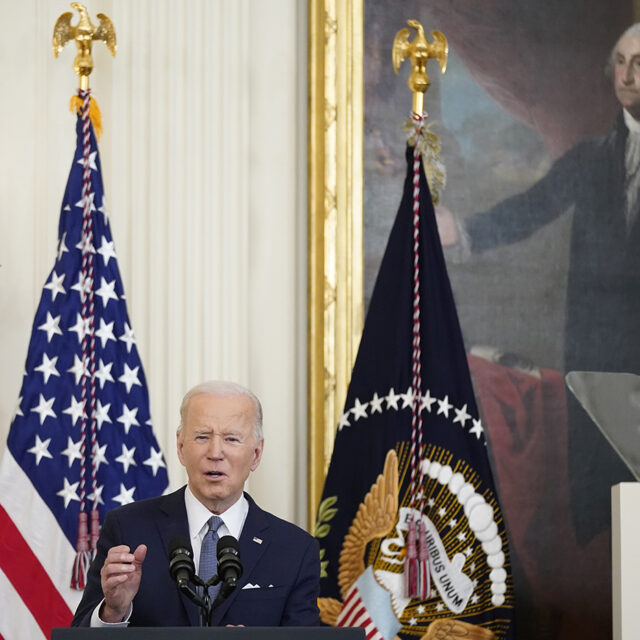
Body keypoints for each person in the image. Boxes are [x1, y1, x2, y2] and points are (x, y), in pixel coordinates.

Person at [436, 24, 640, 544]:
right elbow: (534, 206)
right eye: (619, 62)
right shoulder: (592, 157)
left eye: (638, 61)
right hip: (600, 357)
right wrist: (464, 231)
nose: (627, 74)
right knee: (608, 516)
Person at [71, 380, 320, 627]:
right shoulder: (128, 529)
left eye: (231, 439)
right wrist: (114, 611)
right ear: (181, 448)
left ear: (256, 454)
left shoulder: (295, 549)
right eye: (202, 437)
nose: (215, 452)